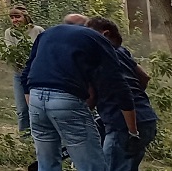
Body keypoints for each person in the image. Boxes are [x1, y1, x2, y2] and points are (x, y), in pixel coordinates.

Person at [21, 21, 141, 171]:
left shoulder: (49, 33)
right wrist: (133, 131)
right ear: (106, 34)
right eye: (113, 48)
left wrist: (33, 105)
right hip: (66, 100)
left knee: (47, 164)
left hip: (35, 99)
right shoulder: (99, 40)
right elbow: (119, 85)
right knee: (91, 165)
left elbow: (25, 74)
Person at [85, 17, 156, 171]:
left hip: (120, 124)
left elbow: (91, 97)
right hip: (147, 118)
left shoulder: (94, 56)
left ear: (104, 34)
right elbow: (144, 76)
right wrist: (134, 98)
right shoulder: (121, 51)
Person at [5, 6, 45, 133]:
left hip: (37, 73)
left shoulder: (37, 30)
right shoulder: (9, 32)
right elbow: (10, 51)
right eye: (12, 17)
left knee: (37, 106)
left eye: (18, 17)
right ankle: (24, 138)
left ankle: (39, 134)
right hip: (19, 72)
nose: (15, 20)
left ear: (25, 17)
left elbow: (44, 50)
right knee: (22, 109)